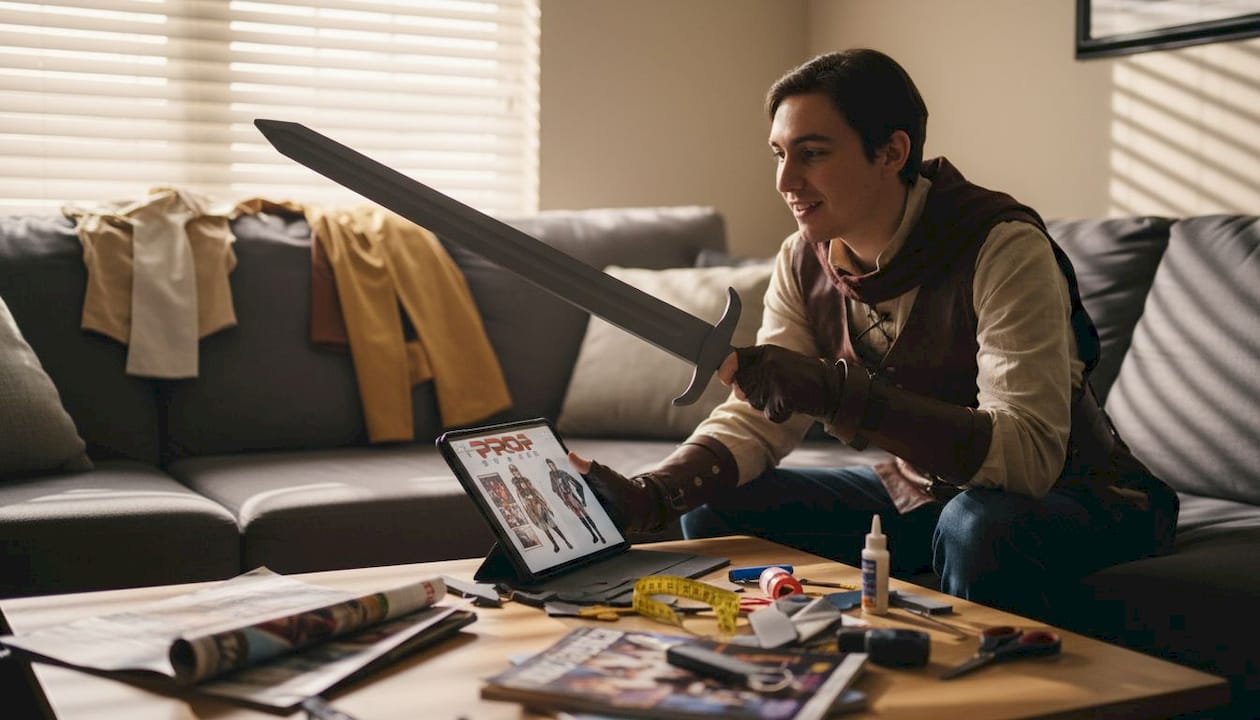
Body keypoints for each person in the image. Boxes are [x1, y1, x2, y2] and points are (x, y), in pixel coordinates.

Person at [568, 48, 1178, 621]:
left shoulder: (1001, 246)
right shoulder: (803, 259)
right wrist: (656, 491)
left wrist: (837, 395)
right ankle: (797, 664)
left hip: (1084, 497)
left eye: (812, 153)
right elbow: (762, 416)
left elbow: (1028, 459)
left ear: (891, 152)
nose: (786, 181)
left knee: (976, 527)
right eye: (779, 154)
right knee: (712, 506)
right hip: (922, 494)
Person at [509, 464, 572, 553]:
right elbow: (523, 497)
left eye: (516, 471)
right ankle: (555, 544)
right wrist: (528, 499)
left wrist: (546, 506)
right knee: (544, 527)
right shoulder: (518, 488)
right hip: (532, 507)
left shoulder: (527, 482)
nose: (516, 473)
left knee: (552, 524)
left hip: (538, 504)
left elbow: (537, 493)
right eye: (514, 472)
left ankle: (566, 541)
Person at [547, 457, 606, 544]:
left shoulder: (563, 473)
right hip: (567, 500)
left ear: (554, 464)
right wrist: (564, 500)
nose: (551, 467)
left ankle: (600, 535)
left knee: (586, 516)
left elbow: (578, 485)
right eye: (549, 466)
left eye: (552, 465)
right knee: (581, 518)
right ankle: (594, 535)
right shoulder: (552, 475)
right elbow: (555, 490)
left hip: (573, 497)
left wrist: (583, 499)